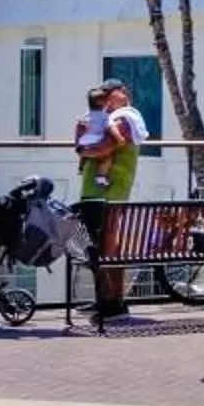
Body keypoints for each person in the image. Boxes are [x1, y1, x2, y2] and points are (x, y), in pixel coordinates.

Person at [75, 82, 141, 319]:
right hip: (95, 191)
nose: (106, 99)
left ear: (123, 95)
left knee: (108, 247)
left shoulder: (125, 119)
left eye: (111, 93)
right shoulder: (104, 119)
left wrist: (83, 149)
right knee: (98, 246)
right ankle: (104, 299)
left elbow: (103, 148)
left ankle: (113, 302)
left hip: (110, 193)